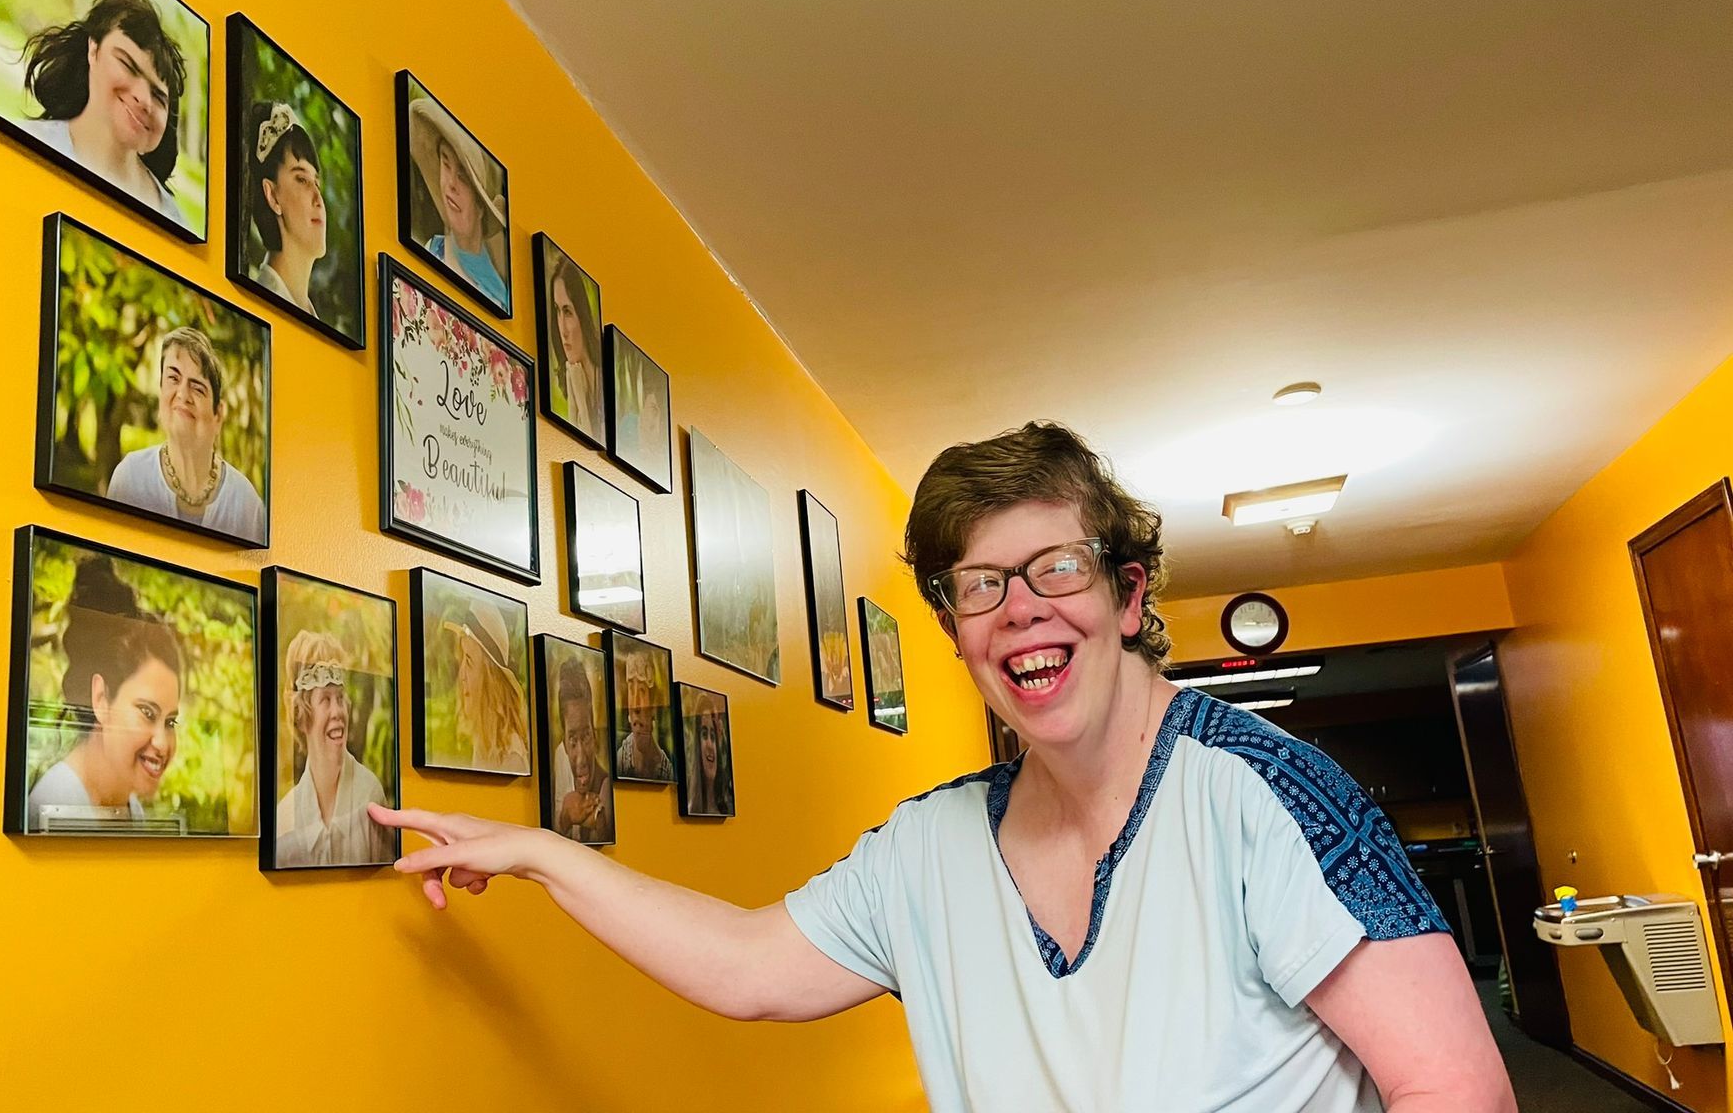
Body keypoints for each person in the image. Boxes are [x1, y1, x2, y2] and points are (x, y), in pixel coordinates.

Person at [370, 420, 1516, 1112]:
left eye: (1056, 569)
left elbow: (1455, 1089)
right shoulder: (928, 848)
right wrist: (539, 854)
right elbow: (750, 965)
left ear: (1127, 595)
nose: (1021, 613)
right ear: (958, 626)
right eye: (980, 585)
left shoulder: (1269, 797)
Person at [26, 555, 184, 831]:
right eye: (147, 713)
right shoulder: (56, 804)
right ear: (101, 699)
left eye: (170, 722)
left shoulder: (130, 808)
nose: (162, 743)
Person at [17, 0, 190, 227]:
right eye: (128, 65)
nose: (144, 99)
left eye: (158, 96)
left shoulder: (177, 223)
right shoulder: (26, 146)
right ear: (93, 50)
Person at [106, 327, 266, 544]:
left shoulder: (246, 504)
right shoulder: (130, 477)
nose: (183, 394)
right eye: (173, 378)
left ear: (218, 414)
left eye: (198, 387)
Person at [274, 630, 389, 867]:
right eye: (325, 700)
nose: (337, 712)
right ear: (302, 714)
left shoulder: (370, 795)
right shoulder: (284, 818)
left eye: (340, 698)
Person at [406, 96, 509, 310]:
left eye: (463, 176)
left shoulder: (497, 296)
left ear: (481, 207)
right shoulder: (431, 249)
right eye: (445, 163)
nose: (451, 183)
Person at [244, 101, 326, 316]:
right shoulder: (261, 306)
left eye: (316, 182)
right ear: (272, 195)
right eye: (301, 179)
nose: (318, 198)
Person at [444, 602, 530, 773]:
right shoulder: (483, 741)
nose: (462, 675)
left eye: (468, 661)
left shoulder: (511, 755)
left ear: (490, 680)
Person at [547, 658, 613, 844]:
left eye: (586, 737)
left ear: (595, 735)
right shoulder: (560, 758)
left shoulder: (606, 786)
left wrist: (599, 822)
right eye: (573, 740)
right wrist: (566, 817)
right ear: (565, 744)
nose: (581, 758)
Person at [546, 254, 604, 442]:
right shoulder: (569, 378)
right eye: (557, 311)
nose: (562, 329)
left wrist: (579, 396)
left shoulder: (604, 383)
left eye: (568, 312)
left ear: (583, 314)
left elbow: (591, 444)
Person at [615, 653, 674, 782]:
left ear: (653, 706)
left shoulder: (667, 771)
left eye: (642, 691)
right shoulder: (620, 758)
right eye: (631, 689)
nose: (636, 705)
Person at [682, 696, 734, 817]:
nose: (710, 745)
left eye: (713, 736)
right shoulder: (690, 808)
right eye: (704, 735)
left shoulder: (727, 807)